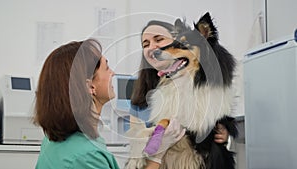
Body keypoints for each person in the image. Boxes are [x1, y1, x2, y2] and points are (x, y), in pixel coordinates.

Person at [33, 38, 184, 169]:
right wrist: (159, 152)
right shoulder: (86, 157)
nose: (113, 73)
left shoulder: (54, 139)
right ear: (90, 86)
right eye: (106, 67)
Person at [130, 20, 230, 145]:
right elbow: (135, 142)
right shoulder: (138, 93)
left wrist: (226, 131)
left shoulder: (209, 87)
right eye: (145, 44)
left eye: (159, 39)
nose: (152, 47)